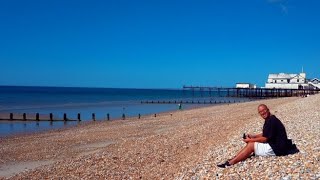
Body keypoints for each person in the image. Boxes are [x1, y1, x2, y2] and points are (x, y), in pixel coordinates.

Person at [217, 104, 297, 168]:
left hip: (278, 149)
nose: (263, 113)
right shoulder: (270, 119)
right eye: (260, 112)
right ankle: (234, 158)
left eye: (264, 110)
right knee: (251, 143)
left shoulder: (272, 121)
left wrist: (250, 140)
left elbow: (265, 139)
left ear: (268, 110)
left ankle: (230, 163)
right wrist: (253, 136)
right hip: (277, 145)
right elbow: (265, 133)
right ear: (259, 114)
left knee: (251, 145)